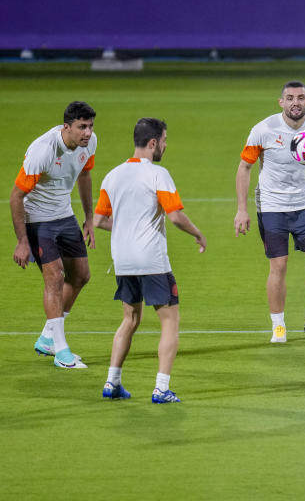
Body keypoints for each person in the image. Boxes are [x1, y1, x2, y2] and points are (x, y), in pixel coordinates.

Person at [93, 118, 206, 403]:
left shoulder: (112, 175)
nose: (165, 146)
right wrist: (197, 233)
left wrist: (127, 226)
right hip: (152, 259)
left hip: (123, 260)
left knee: (130, 319)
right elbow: (175, 215)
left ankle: (112, 382)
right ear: (153, 142)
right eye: (164, 141)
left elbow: (99, 221)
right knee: (170, 321)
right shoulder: (158, 174)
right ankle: (161, 388)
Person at [235, 81, 305, 343]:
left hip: (304, 204)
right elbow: (244, 168)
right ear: (281, 102)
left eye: (300, 98)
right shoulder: (263, 129)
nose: (296, 102)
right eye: (290, 98)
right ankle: (278, 326)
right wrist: (241, 209)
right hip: (271, 206)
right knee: (278, 265)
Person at [10, 101, 97, 368]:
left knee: (81, 275)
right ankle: (61, 351)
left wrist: (89, 217)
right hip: (37, 219)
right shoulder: (43, 151)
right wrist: (22, 241)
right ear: (66, 127)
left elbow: (84, 175)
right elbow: (16, 196)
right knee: (55, 276)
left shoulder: (89, 143)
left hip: (64, 214)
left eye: (91, 126)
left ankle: (48, 337)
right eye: (82, 127)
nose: (87, 132)